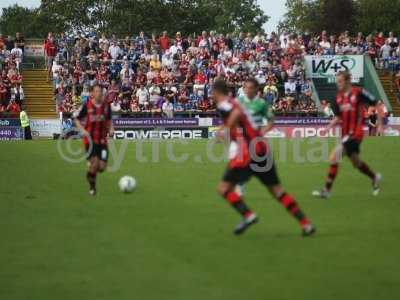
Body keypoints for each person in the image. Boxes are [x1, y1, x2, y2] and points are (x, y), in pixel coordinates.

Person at [212, 78, 316, 236]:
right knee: (277, 191)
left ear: (215, 92)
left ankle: (248, 215)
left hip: (248, 152)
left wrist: (225, 129)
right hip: (261, 150)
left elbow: (236, 114)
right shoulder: (237, 102)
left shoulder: (225, 103)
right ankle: (306, 224)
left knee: (223, 188)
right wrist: (225, 129)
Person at [313, 71, 383, 199]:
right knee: (356, 163)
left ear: (347, 81)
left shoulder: (359, 92)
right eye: (337, 81)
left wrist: (380, 124)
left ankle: (326, 190)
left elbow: (376, 104)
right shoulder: (338, 97)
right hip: (345, 134)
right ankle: (374, 177)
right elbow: (338, 117)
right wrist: (327, 128)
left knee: (335, 157)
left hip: (356, 133)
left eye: (340, 81)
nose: (338, 84)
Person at [74, 84, 114, 196]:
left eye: (100, 91)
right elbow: (77, 119)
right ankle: (92, 187)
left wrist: (111, 129)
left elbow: (110, 120)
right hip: (90, 141)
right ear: (92, 93)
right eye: (96, 91)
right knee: (95, 163)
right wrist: (82, 130)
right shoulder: (87, 106)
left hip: (102, 141)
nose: (98, 93)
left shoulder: (106, 106)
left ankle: (91, 169)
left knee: (101, 168)